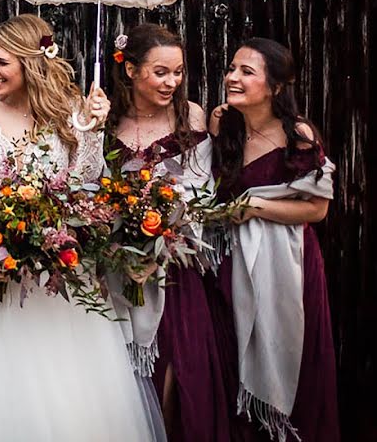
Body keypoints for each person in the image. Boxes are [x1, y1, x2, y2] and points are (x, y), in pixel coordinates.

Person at [0, 14, 155, 441]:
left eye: (1, 62)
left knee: (73, 390)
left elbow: (85, 184)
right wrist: (2, 233)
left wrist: (91, 131)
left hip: (59, 273)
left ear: (31, 63)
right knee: (1, 390)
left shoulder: (69, 112)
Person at [207, 38, 339, 441]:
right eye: (232, 68)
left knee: (292, 356)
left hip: (289, 267)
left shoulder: (296, 132)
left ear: (276, 86)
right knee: (236, 358)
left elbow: (316, 209)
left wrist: (254, 209)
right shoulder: (226, 128)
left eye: (247, 71)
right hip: (235, 266)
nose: (232, 77)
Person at [106, 23, 229, 442]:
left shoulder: (189, 115)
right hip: (122, 272)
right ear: (131, 70)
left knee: (181, 370)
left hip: (176, 268)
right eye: (161, 72)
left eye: (177, 72)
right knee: (132, 377)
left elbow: (201, 192)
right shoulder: (107, 123)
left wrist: (163, 240)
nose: (172, 82)